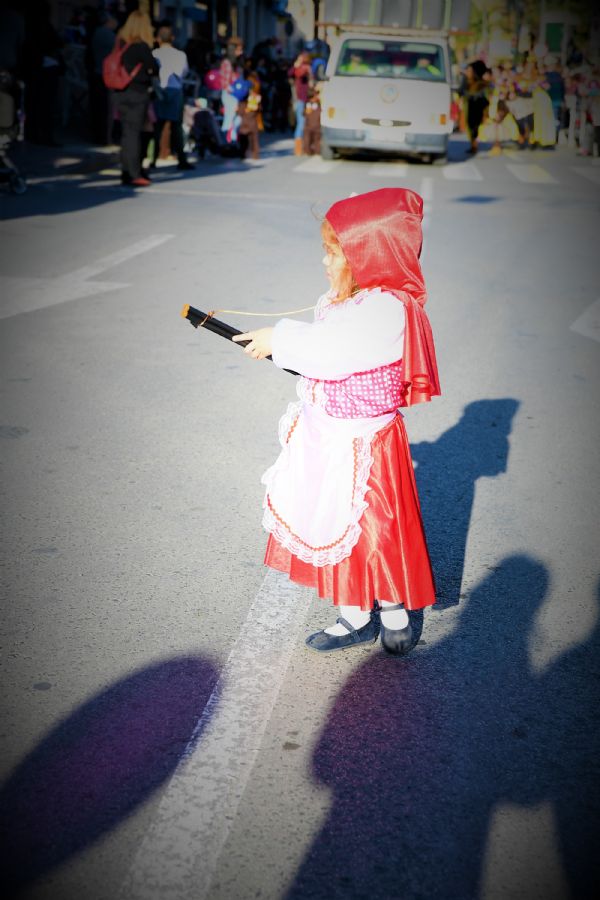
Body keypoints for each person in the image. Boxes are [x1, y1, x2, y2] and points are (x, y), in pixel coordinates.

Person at [232, 188, 440, 655]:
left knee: (376, 530)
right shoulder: (342, 298)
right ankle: (352, 614)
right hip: (327, 434)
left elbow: (334, 353)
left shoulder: (387, 309)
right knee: (330, 521)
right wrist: (280, 345)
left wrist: (278, 338)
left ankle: (391, 607)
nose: (325, 263)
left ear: (369, 255)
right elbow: (321, 349)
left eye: (333, 253)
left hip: (366, 441)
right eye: (325, 251)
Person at [112, 9, 157, 186]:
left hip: (119, 92)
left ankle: (125, 171)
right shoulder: (141, 47)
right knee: (134, 134)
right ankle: (133, 172)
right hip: (137, 93)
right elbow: (154, 67)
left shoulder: (121, 43)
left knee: (127, 134)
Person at [151, 22, 193, 171]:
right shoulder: (180, 55)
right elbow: (184, 73)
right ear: (172, 38)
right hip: (175, 90)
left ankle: (153, 160)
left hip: (159, 91)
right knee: (176, 127)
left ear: (158, 39)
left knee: (157, 127)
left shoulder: (154, 54)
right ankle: (182, 159)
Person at [460, 60, 489, 155]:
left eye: (469, 71)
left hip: (478, 110)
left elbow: (485, 100)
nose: (467, 72)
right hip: (469, 109)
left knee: (475, 128)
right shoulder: (466, 83)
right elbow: (461, 93)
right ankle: (473, 145)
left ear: (475, 72)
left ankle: (474, 145)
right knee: (470, 128)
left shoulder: (482, 85)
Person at [289, 50, 311, 156]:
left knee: (306, 123)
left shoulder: (308, 68)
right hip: (300, 99)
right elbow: (291, 73)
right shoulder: (299, 69)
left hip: (307, 100)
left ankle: (304, 146)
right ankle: (298, 148)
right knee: (301, 123)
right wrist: (296, 66)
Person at [302, 86, 321, 155]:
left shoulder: (319, 103)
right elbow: (303, 113)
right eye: (316, 95)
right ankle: (308, 151)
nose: (317, 96)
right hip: (309, 127)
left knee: (317, 140)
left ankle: (317, 151)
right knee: (307, 140)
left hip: (317, 127)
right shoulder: (307, 104)